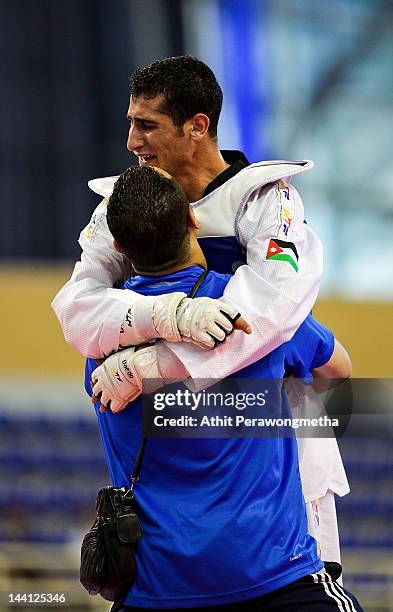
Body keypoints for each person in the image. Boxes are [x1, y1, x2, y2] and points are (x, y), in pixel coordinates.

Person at [51, 56, 347, 571]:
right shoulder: (121, 205)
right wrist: (168, 315)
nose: (130, 142)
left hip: (279, 447)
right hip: (178, 447)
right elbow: (77, 305)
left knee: (299, 578)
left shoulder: (265, 202)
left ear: (197, 127)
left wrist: (156, 363)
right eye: (130, 123)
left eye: (146, 125)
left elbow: (271, 312)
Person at [86, 166, 362, 611]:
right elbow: (339, 368)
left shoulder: (101, 340)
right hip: (278, 581)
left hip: (155, 593)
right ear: (194, 221)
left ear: (117, 245)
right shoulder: (264, 318)